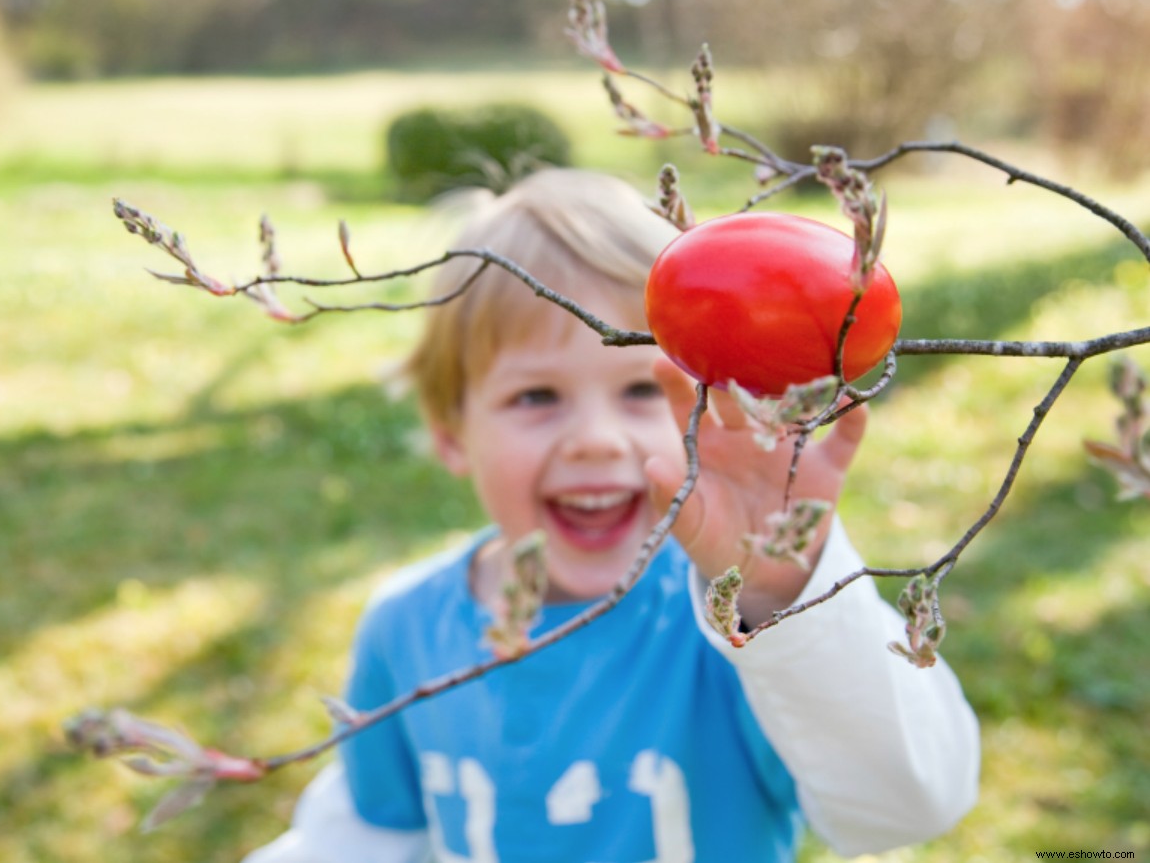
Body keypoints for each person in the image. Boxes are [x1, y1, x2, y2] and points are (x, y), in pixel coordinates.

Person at [242, 168, 979, 863]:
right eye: (536, 397)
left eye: (639, 389)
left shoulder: (731, 630)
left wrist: (781, 593)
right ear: (449, 430)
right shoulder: (405, 629)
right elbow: (366, 839)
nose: (596, 439)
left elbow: (906, 808)